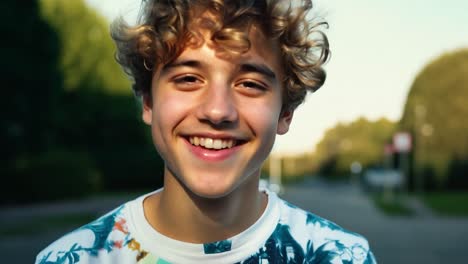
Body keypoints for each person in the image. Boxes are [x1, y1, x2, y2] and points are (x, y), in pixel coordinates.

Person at [36, 0, 376, 263]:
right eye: (187, 79)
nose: (217, 111)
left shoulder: (342, 256)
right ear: (148, 101)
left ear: (285, 112)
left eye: (250, 84)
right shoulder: (75, 257)